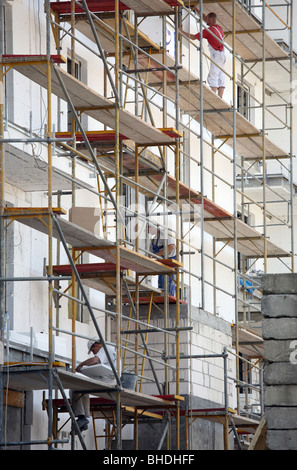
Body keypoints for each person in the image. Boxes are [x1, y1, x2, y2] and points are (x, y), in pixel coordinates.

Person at [70, 339, 117, 433]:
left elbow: (94, 360)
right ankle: (83, 418)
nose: (93, 353)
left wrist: (81, 365)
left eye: (93, 350)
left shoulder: (105, 348)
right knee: (83, 388)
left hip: (105, 379)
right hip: (109, 378)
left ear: (96, 345)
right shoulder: (111, 350)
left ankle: (82, 417)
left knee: (74, 387)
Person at [179, 8, 226, 98]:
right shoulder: (219, 28)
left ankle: (214, 97)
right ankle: (220, 97)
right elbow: (206, 18)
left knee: (213, 76)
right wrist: (196, 9)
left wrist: (181, 31)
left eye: (207, 19)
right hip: (222, 55)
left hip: (216, 55)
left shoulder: (208, 31)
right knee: (221, 76)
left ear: (210, 20)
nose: (205, 21)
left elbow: (193, 37)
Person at [148, 224, 176, 297]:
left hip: (170, 260)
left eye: (149, 229)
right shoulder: (154, 240)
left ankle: (169, 296)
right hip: (162, 262)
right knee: (161, 280)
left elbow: (171, 246)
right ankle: (163, 295)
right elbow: (150, 253)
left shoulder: (165, 235)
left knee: (169, 280)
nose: (148, 232)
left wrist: (157, 254)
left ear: (153, 227)